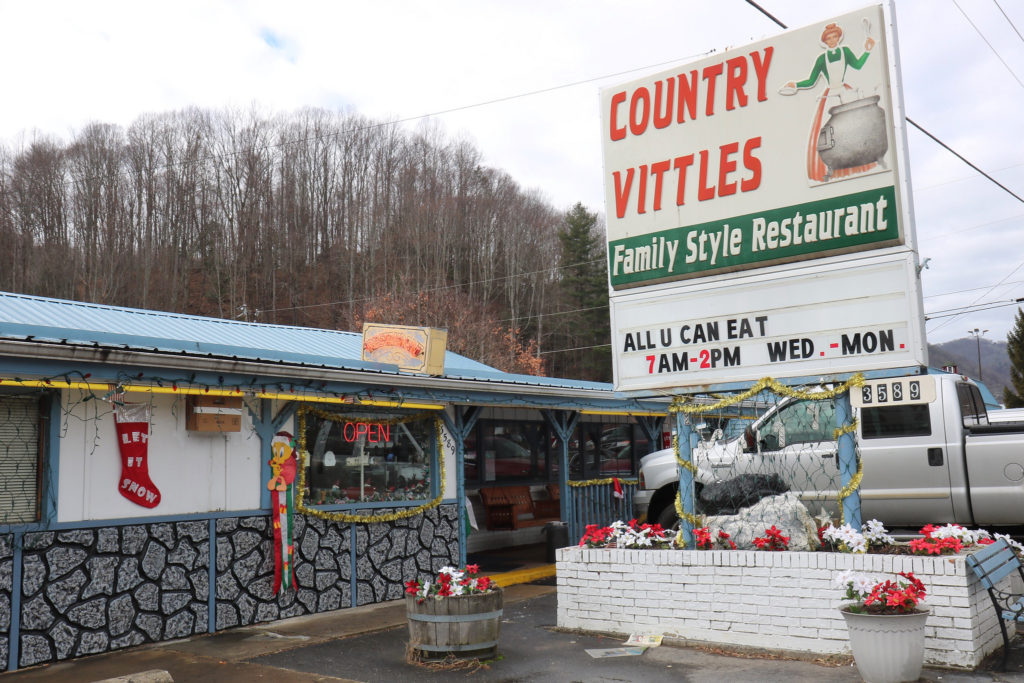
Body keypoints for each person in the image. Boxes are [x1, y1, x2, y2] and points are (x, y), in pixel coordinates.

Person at [780, 22, 876, 182]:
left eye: (834, 37)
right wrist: (795, 84)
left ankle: (857, 163)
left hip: (845, 92)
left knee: (853, 127)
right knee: (826, 132)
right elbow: (811, 81)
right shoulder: (821, 59)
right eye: (829, 38)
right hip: (830, 93)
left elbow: (858, 65)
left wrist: (867, 50)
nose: (832, 40)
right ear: (824, 41)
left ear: (839, 37)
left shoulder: (845, 51)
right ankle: (827, 168)